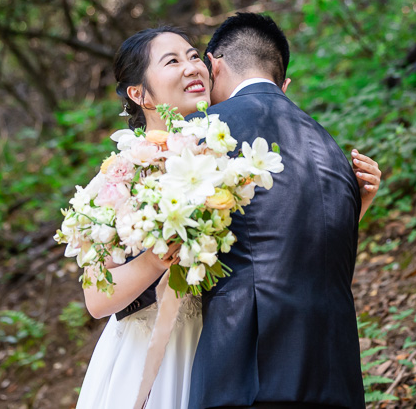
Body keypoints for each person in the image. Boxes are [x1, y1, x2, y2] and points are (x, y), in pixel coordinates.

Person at [75, 25, 380, 409]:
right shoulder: (121, 173)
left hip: (223, 347)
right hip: (155, 354)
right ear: (139, 94)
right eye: (172, 61)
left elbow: (269, 244)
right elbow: (96, 299)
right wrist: (157, 259)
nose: (191, 67)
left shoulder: (220, 152)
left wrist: (354, 202)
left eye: (192, 56)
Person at [187, 13, 366, 409]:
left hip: (247, 367)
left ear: (214, 65)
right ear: (282, 80)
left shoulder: (202, 131)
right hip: (336, 371)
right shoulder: (332, 148)